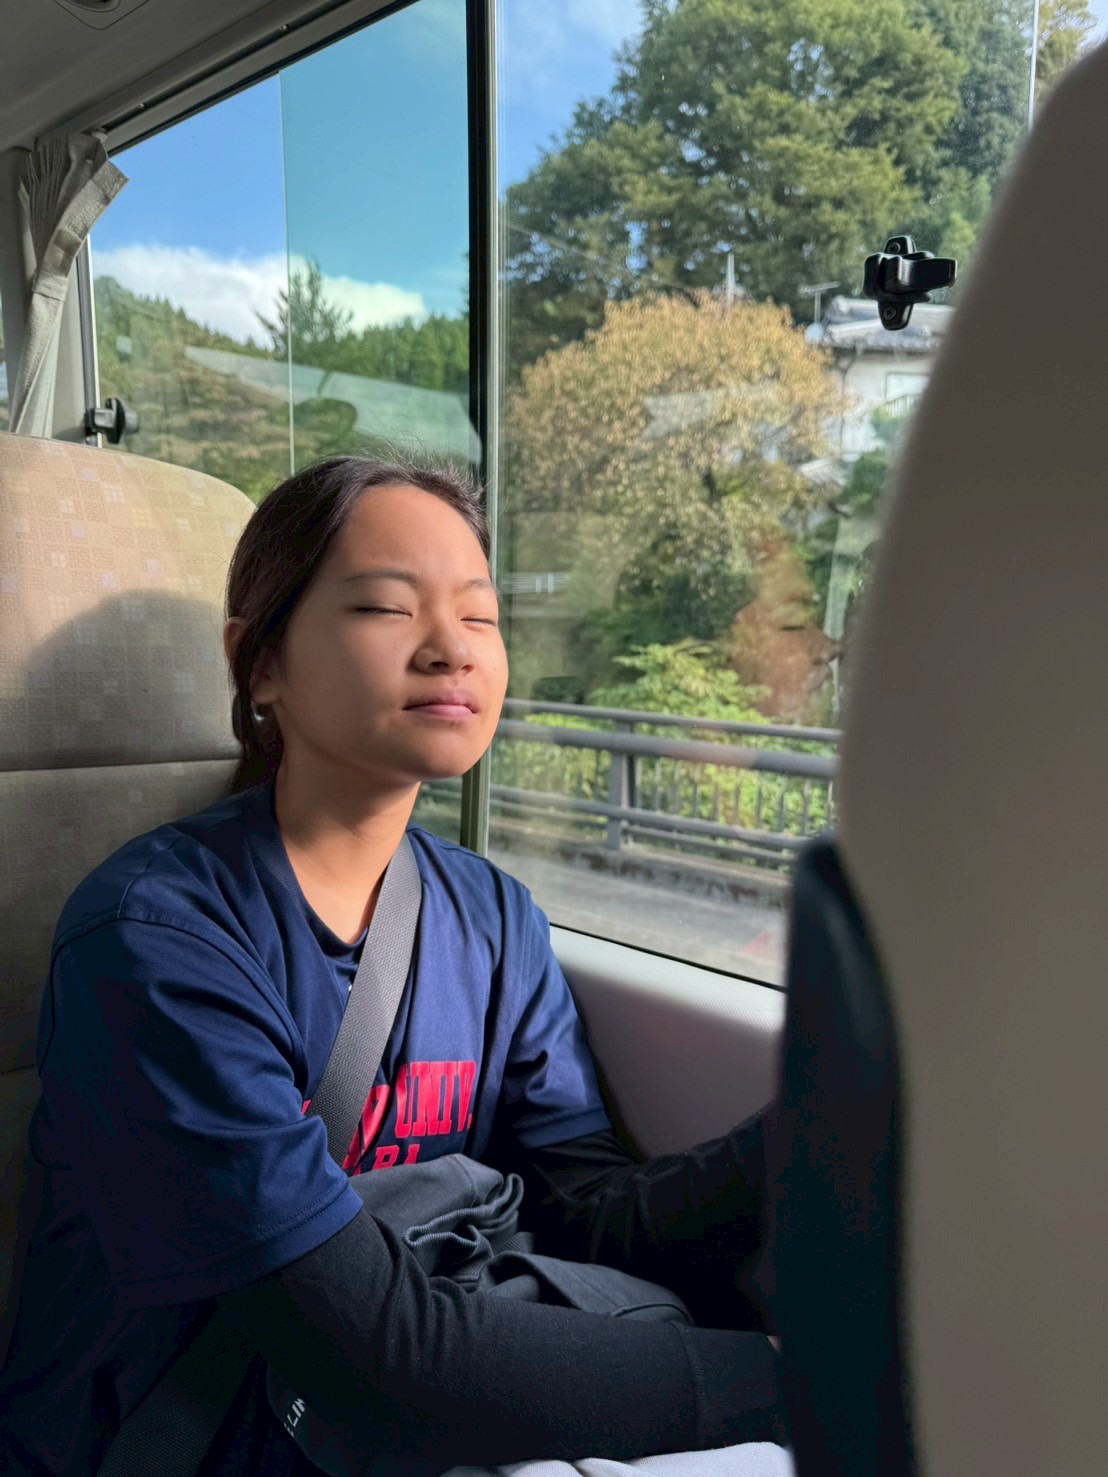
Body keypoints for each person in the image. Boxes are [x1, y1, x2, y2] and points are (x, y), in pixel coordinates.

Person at [0, 456, 785, 1477]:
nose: (451, 647)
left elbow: (583, 1215)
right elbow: (374, 1356)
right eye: (384, 606)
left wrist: (813, 1125)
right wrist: (787, 1382)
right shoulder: (152, 942)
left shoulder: (494, 917)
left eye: (481, 615)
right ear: (260, 663)